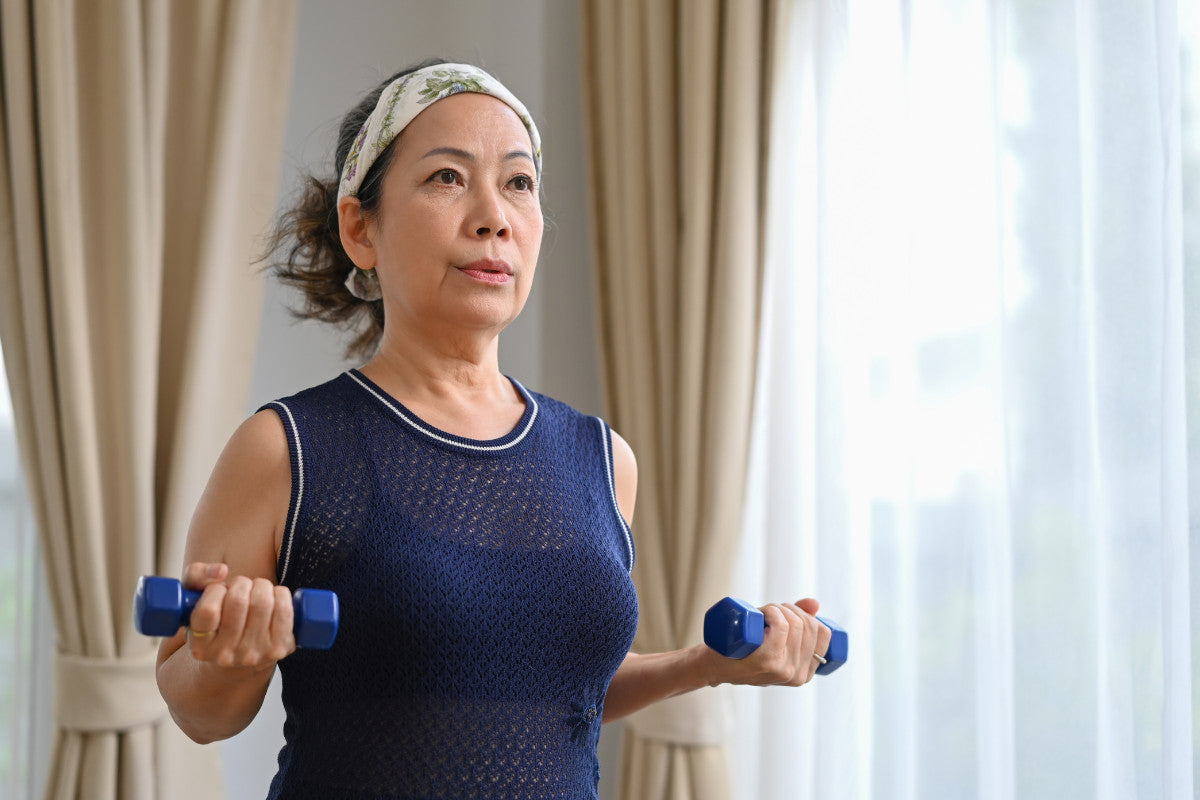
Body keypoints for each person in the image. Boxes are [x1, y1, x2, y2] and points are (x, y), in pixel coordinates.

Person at [155, 59, 831, 799]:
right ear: (360, 227)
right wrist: (235, 654)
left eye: (518, 183)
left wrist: (705, 666)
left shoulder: (603, 460)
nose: (493, 215)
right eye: (448, 177)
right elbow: (198, 711)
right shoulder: (287, 448)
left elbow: (553, 695)